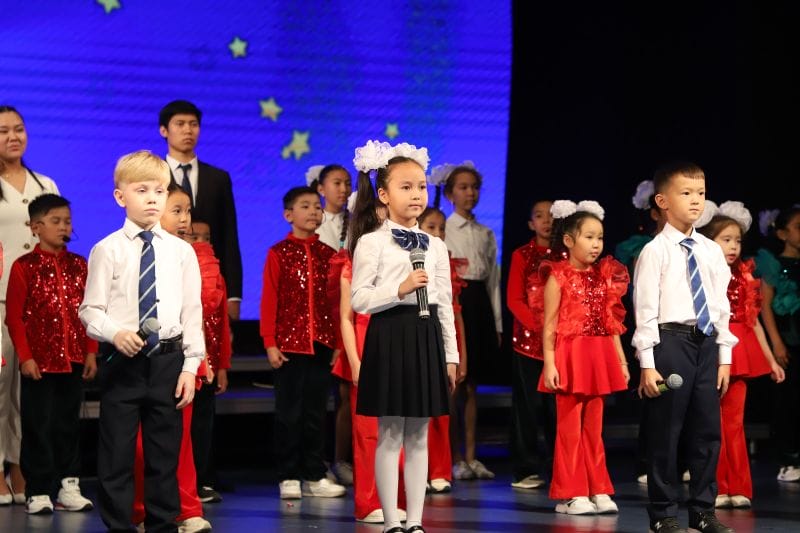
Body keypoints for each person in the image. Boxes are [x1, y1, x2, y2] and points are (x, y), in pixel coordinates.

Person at [79, 150, 204, 533]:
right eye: (142, 190)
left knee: (163, 455)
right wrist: (115, 333)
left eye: (159, 191)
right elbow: (90, 310)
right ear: (121, 197)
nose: (152, 199)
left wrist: (190, 366)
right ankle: (120, 525)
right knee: (117, 453)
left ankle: (163, 524)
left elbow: (192, 313)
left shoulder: (181, 252)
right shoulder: (108, 249)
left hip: (167, 362)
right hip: (123, 362)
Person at [350, 140, 458, 533]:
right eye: (406, 187)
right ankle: (391, 520)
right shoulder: (372, 241)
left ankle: (415, 520)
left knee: (419, 434)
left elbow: (444, 302)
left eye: (421, 187)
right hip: (390, 335)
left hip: (425, 335)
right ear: (383, 194)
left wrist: (451, 355)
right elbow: (359, 299)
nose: (416, 195)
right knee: (390, 433)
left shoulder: (436, 245)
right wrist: (399, 289)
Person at [632, 161, 737, 533]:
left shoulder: (709, 250)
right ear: (662, 201)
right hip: (671, 342)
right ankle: (663, 513)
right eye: (686, 193)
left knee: (707, 431)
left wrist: (724, 356)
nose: (696, 200)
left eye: (701, 193)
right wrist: (647, 363)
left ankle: (703, 510)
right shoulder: (655, 251)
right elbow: (645, 311)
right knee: (667, 431)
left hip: (705, 344)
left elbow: (721, 306)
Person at [4, 194, 96, 515]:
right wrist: (26, 357)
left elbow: (89, 312)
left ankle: (69, 485)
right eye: (55, 221)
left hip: (73, 359)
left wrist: (91, 352)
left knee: (68, 424)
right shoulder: (23, 267)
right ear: (35, 226)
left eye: (67, 221)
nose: (63, 227)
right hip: (39, 362)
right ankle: (38, 489)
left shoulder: (80, 265)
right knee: (37, 425)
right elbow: (14, 318)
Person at [130, 184, 213, 533]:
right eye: (176, 210)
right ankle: (141, 510)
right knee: (141, 442)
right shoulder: (130, 250)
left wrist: (200, 358)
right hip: (140, 358)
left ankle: (186, 507)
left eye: (187, 211)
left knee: (181, 439)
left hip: (182, 358)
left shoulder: (190, 254)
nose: (185, 219)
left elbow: (196, 312)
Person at [538, 200, 629, 515]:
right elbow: (549, 325)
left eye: (600, 237)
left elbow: (611, 323)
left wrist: (621, 361)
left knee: (594, 428)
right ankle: (572, 493)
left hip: (598, 355)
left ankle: (597, 487)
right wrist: (550, 363)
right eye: (589, 237)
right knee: (569, 429)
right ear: (568, 240)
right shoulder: (558, 276)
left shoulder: (604, 275)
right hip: (570, 355)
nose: (596, 244)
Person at [259, 186, 346, 500]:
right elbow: (270, 299)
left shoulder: (329, 255)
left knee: (315, 413)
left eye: (317, 207)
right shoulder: (278, 253)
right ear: (288, 215)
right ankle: (288, 474)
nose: (313, 211)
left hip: (322, 343)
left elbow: (336, 302)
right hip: (288, 346)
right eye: (305, 206)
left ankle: (314, 474)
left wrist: (338, 342)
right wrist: (270, 342)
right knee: (289, 413)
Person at [697, 202, 785, 509]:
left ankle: (739, 486)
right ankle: (717, 486)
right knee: (712, 424)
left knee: (734, 423)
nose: (734, 246)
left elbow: (753, 321)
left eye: (737, 240)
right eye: (726, 239)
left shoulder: (745, 276)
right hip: (711, 348)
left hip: (740, 350)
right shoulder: (702, 275)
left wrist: (771, 360)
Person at [334, 195, 408, 523]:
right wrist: (354, 361)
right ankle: (368, 502)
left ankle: (395, 499)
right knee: (367, 432)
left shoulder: (400, 259)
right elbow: (346, 317)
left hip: (397, 347)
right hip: (365, 347)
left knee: (398, 429)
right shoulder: (351, 264)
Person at [0, 105, 60, 504]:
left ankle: (21, 468)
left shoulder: (44, 183)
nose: (13, 137)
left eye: (18, 129)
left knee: (28, 393)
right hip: (0, 297)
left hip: (37, 304)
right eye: (3, 131)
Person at [159, 100, 243, 324]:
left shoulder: (218, 178)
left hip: (210, 279)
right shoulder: (154, 176)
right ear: (164, 130)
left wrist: (234, 295)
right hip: (166, 277)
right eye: (180, 124)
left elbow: (229, 236)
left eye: (193, 124)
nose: (188, 130)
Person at [443, 162, 499, 481]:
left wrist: (497, 324)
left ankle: (471, 455)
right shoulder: (443, 229)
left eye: (474, 187)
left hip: (479, 305)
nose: (470, 193)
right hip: (455, 302)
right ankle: (453, 457)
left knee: (473, 385)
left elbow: (493, 281)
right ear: (450, 193)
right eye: (463, 187)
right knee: (456, 383)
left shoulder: (486, 233)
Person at [307, 163, 355, 486]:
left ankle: (341, 458)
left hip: (348, 311)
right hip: (320, 313)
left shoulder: (357, 223)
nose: (343, 189)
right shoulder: (314, 223)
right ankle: (316, 460)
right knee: (316, 392)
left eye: (347, 183)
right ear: (321, 189)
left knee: (345, 392)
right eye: (336, 183)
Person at [506, 199, 558, 490]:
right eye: (539, 216)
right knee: (527, 408)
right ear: (530, 223)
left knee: (556, 409)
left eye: (551, 215)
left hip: (560, 344)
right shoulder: (522, 255)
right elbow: (514, 299)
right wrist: (540, 329)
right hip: (528, 343)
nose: (546, 221)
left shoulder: (566, 255)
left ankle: (559, 466)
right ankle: (525, 468)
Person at [417, 205, 464, 494]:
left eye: (441, 228)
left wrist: (457, 355)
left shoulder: (446, 261)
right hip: (417, 334)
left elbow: (453, 312)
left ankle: (439, 469)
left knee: (440, 410)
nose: (437, 233)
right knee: (416, 411)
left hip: (442, 337)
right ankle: (417, 470)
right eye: (431, 227)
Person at [755, 205, 800, 482]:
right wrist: (776, 343)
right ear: (782, 234)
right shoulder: (774, 264)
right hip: (788, 338)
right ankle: (787, 457)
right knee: (789, 400)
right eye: (798, 227)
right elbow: (765, 306)